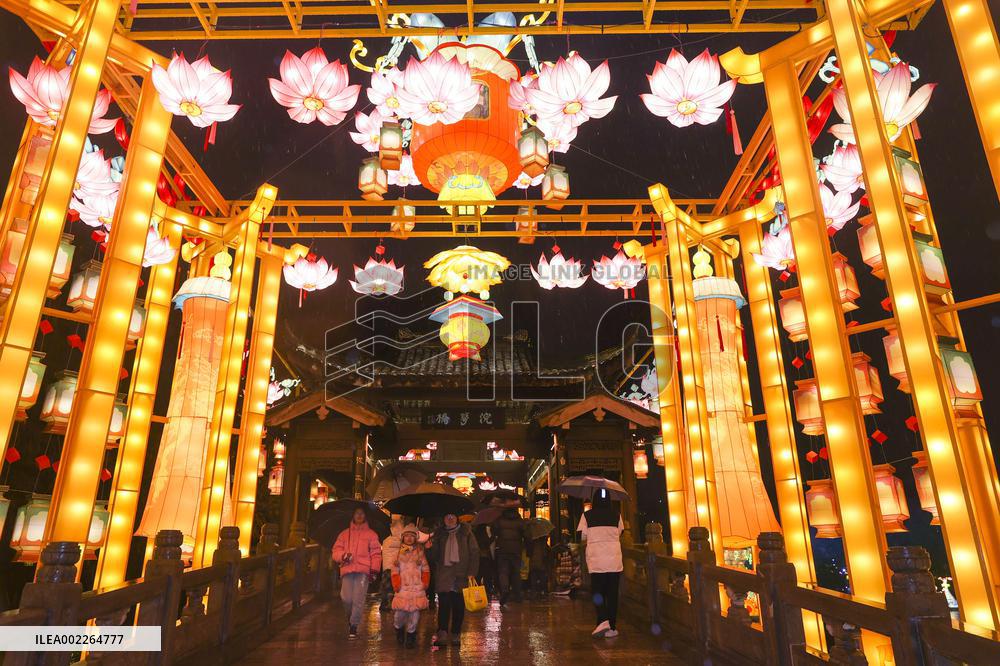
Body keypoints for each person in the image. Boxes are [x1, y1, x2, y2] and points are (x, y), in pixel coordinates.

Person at [426, 513, 479, 648]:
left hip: (461, 574)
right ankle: (442, 632)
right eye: (447, 516)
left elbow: (474, 552)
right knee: (443, 605)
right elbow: (435, 558)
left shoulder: (466, 533)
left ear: (457, 518)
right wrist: (431, 547)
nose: (449, 518)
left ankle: (456, 633)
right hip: (444, 575)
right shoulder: (439, 534)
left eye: (452, 516)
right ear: (443, 519)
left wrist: (472, 572)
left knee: (458, 606)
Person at [577, 491, 624, 639]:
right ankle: (611, 626)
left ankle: (602, 619)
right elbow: (620, 532)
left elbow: (582, 536)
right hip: (614, 561)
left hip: (596, 561)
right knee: (612, 594)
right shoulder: (617, 515)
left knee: (598, 592)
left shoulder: (587, 516)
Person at [331, 507, 382, 639]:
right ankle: (351, 618)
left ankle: (354, 625)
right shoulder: (344, 534)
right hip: (347, 569)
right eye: (357, 513)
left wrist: (374, 570)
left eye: (362, 513)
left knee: (358, 599)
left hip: (363, 571)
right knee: (346, 598)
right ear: (353, 515)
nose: (359, 515)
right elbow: (335, 551)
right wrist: (343, 556)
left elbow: (376, 554)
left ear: (365, 516)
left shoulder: (372, 534)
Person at [391, 524, 430, 649]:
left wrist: (424, 582)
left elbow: (426, 570)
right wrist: (396, 584)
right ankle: (399, 629)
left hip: (416, 589)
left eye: (411, 536)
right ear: (403, 538)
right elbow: (394, 571)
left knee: (415, 615)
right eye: (406, 536)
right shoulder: (398, 553)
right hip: (402, 588)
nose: (408, 538)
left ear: (415, 538)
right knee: (399, 616)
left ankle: (411, 635)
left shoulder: (420, 552)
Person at [493, 507, 526, 606]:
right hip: (516, 550)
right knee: (516, 572)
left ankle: (505, 590)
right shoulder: (520, 521)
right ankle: (517, 595)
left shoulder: (499, 520)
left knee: (503, 572)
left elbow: (494, 532)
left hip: (503, 549)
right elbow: (527, 534)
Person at [380, 516, 404, 611]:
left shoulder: (384, 526)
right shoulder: (400, 527)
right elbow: (400, 543)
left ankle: (384, 602)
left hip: (387, 562)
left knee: (386, 583)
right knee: (395, 582)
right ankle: (392, 602)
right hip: (396, 561)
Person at [473, 523, 496, 599]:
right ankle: (487, 590)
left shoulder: (474, 534)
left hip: (477, 557)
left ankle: (477, 591)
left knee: (478, 575)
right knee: (486, 575)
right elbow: (488, 542)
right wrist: (493, 537)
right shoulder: (485, 535)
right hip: (485, 557)